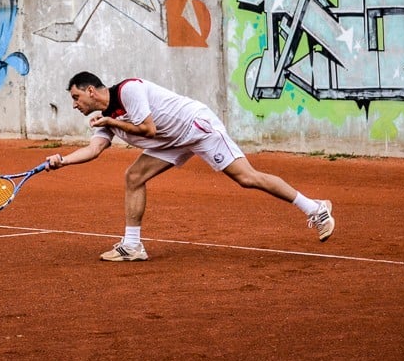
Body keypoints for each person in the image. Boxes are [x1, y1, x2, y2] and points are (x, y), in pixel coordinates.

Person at [45, 71, 335, 261]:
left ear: (91, 90)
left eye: (75, 97)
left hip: (195, 127)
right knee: (134, 176)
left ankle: (315, 208)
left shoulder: (128, 90)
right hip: (171, 140)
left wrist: (110, 122)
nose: (74, 104)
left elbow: (147, 130)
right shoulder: (103, 118)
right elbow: (94, 150)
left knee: (247, 178)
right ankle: (132, 245)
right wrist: (62, 161)